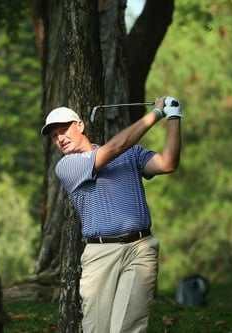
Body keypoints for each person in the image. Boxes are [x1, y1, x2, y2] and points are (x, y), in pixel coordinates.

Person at [40, 96, 182, 333]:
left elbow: (168, 163)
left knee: (128, 327)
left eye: (64, 130)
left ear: (81, 126)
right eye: (54, 136)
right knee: (97, 328)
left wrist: (174, 117)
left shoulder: (132, 154)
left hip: (140, 248)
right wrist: (156, 114)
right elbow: (115, 147)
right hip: (100, 253)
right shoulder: (68, 166)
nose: (60, 138)